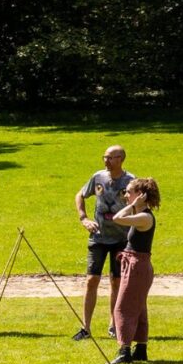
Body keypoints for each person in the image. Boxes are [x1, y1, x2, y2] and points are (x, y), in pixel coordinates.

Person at [74, 144, 131, 341]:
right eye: (104, 157)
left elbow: (139, 206)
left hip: (121, 239)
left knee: (116, 282)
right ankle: (85, 327)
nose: (106, 161)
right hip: (98, 237)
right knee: (92, 280)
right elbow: (80, 195)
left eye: (110, 157)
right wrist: (83, 218)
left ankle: (114, 325)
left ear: (121, 159)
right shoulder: (98, 177)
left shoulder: (130, 181)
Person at [107, 176, 159, 364]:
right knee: (138, 307)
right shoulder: (142, 215)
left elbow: (117, 218)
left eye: (129, 191)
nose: (126, 195)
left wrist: (133, 205)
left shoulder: (144, 217)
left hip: (137, 265)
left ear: (141, 195)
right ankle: (141, 349)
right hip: (136, 264)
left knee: (123, 307)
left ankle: (125, 350)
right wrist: (134, 204)